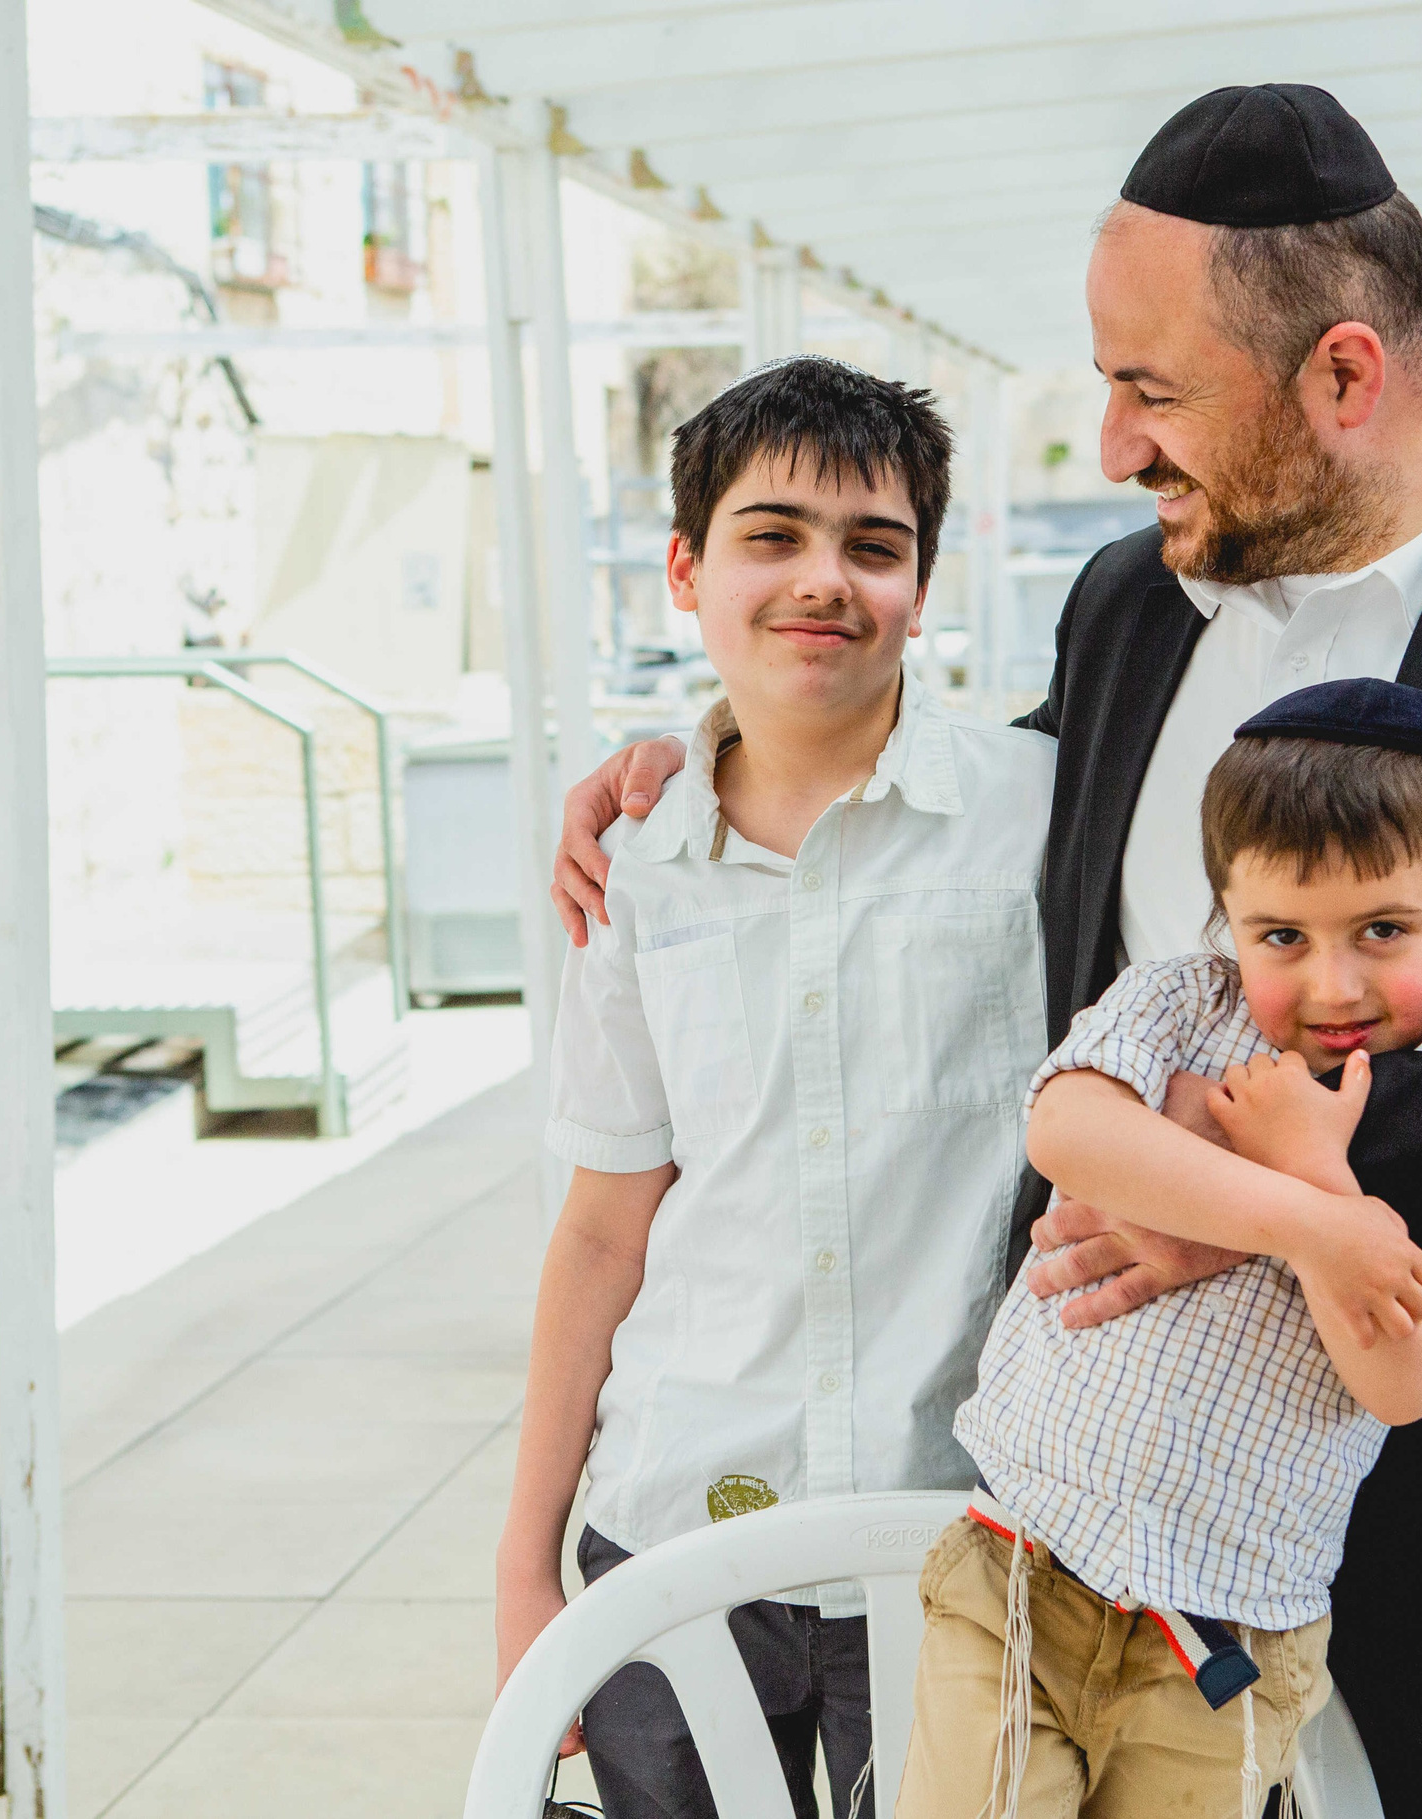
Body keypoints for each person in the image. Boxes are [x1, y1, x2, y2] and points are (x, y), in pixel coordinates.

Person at [555, 84, 1422, 1818]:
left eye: (1151, 391)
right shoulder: (1131, 596)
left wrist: (1245, 1187)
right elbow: (977, 801)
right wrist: (702, 763)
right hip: (1121, 1563)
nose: (1112, 444)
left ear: (1345, 376)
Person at [494, 357, 1065, 1819]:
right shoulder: (631, 861)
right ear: (687, 569)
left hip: (963, 1530)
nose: (824, 578)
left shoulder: (1040, 817)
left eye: (874, 545)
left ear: (921, 588)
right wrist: (522, 1566)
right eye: (772, 535)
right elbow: (605, 1226)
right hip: (676, 1525)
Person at [897, 679, 1422, 1819]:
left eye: (1383, 930)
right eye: (1282, 935)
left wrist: (1326, 1173)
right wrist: (1308, 1221)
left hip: (1232, 1632)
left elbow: (1403, 1381)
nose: (1333, 983)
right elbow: (1066, 1127)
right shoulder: (1187, 1001)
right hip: (1025, 1565)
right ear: (1226, 916)